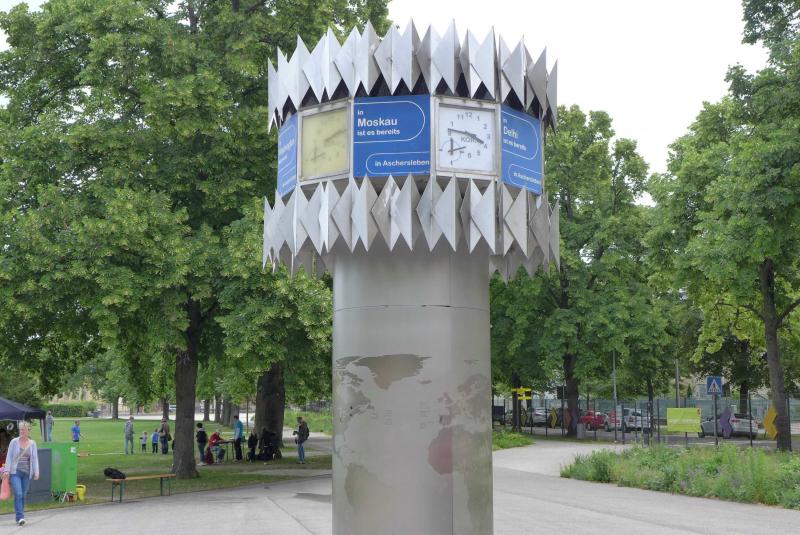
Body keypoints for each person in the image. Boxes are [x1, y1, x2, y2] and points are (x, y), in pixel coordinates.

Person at [2, 421, 40, 526]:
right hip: (15, 473)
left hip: (27, 474)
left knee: (23, 495)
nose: (21, 431)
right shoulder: (14, 442)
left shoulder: (32, 443)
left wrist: (36, 472)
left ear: (29, 430)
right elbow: (9, 456)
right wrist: (7, 470)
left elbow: (35, 458)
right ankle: (20, 517)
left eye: (23, 430)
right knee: (18, 493)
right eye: (20, 430)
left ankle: (19, 516)